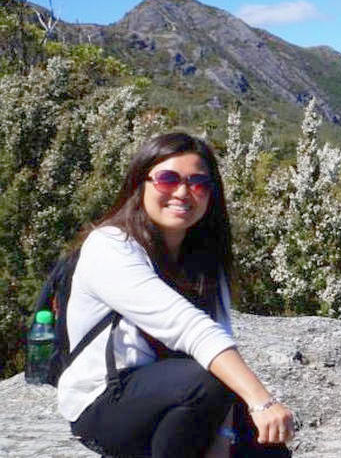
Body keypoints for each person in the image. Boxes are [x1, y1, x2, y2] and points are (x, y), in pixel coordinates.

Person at [57, 132, 295, 457]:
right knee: (203, 384)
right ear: (141, 183)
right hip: (104, 403)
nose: (183, 192)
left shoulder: (205, 259)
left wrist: (224, 438)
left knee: (269, 449)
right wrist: (261, 400)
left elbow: (219, 344)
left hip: (176, 394)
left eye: (198, 183)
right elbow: (188, 327)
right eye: (168, 179)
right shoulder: (111, 246)